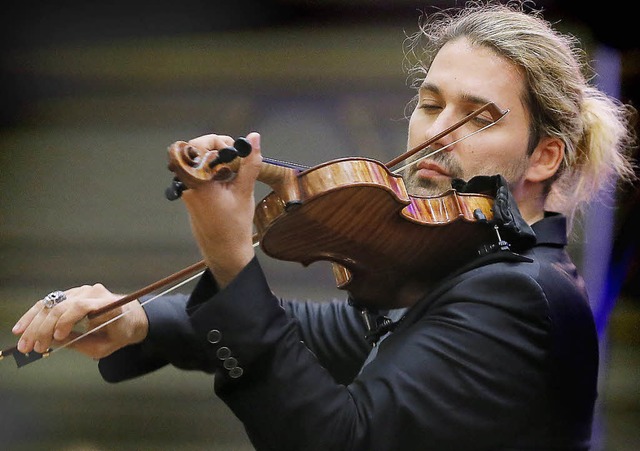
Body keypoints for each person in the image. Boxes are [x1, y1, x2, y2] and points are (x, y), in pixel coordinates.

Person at [10, 2, 636, 449]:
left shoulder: (520, 292)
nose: (435, 132)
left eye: (478, 118)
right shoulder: (464, 271)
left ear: (545, 155)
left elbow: (335, 436)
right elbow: (316, 329)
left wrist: (233, 262)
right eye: (431, 104)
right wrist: (139, 319)